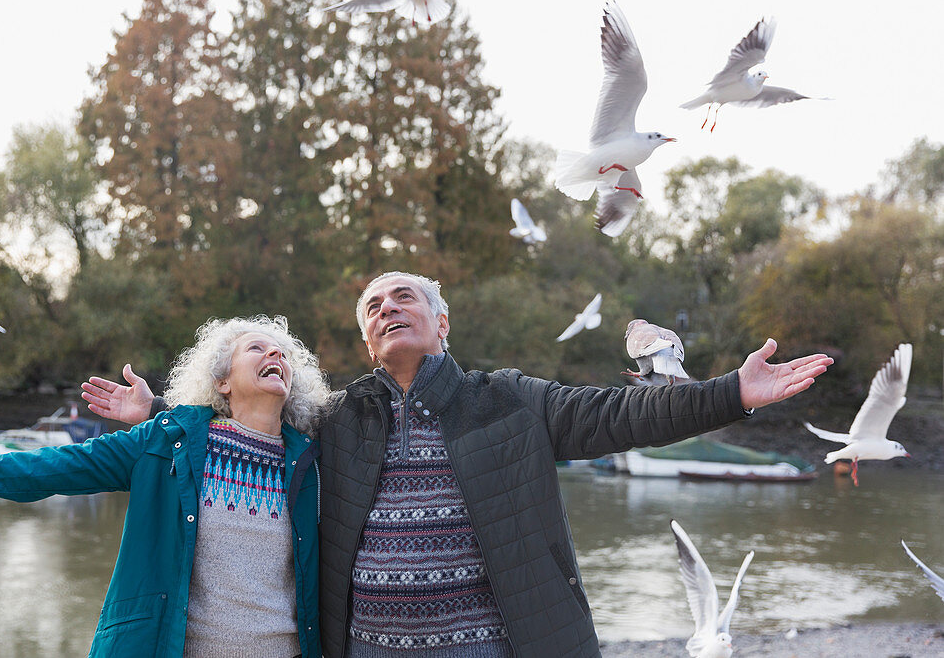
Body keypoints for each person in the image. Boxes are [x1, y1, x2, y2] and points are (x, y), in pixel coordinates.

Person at [82, 272, 833, 658]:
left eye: (404, 297)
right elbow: (248, 425)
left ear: (443, 322)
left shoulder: (510, 401)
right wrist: (155, 416)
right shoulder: (339, 419)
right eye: (372, 307)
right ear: (367, 342)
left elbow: (622, 413)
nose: (386, 308)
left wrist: (732, 391)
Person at [0, 315, 327, 658]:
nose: (276, 357)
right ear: (222, 382)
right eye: (258, 349)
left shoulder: (314, 461)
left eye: (283, 354)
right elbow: (48, 470)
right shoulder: (165, 443)